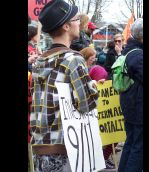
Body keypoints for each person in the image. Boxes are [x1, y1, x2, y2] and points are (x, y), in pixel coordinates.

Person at [30, 0, 99, 171]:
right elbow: (86, 104)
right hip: (65, 147)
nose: (79, 23)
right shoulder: (73, 60)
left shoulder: (39, 61)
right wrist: (93, 86)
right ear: (66, 26)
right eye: (76, 19)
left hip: (41, 147)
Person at [118, 18, 143, 172]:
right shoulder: (138, 55)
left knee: (131, 143)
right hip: (138, 108)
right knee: (138, 148)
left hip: (132, 106)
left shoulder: (130, 52)